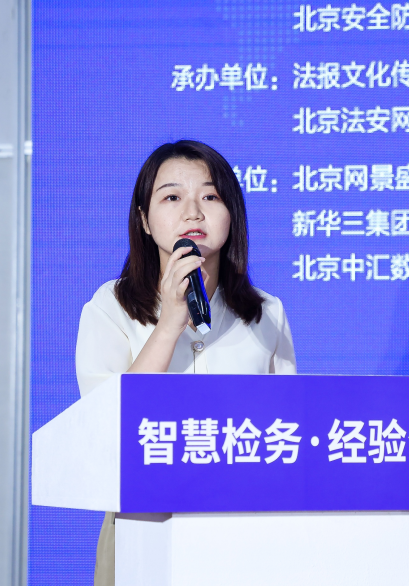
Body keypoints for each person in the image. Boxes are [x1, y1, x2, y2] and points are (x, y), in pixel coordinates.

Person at [75, 139, 297, 586]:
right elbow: (106, 425)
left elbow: (289, 429)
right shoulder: (110, 307)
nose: (193, 213)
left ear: (232, 215)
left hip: (244, 531)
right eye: (172, 197)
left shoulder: (266, 313)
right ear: (144, 219)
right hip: (144, 526)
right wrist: (169, 324)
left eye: (210, 197)